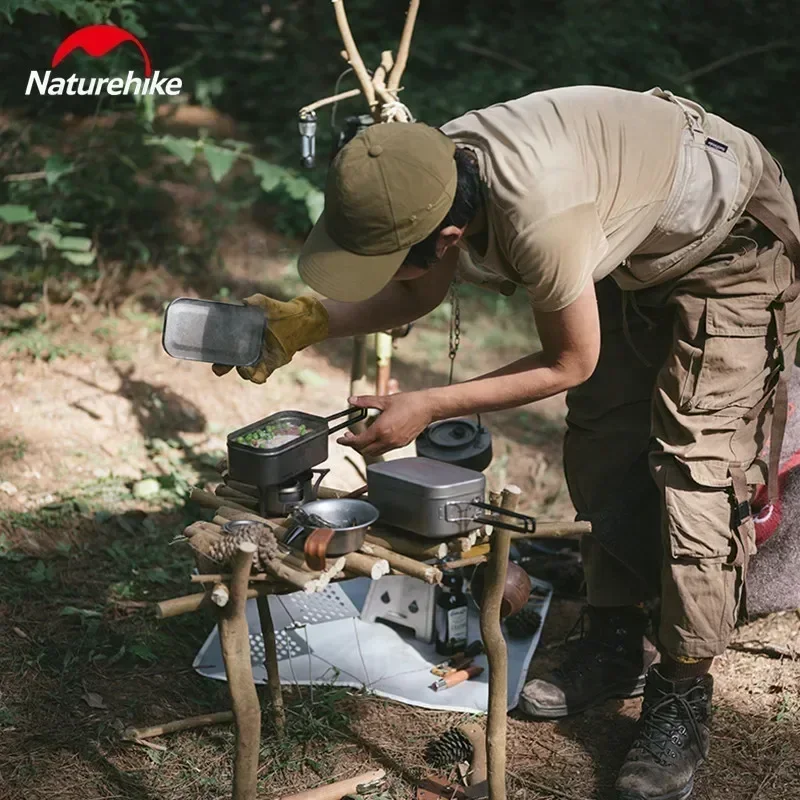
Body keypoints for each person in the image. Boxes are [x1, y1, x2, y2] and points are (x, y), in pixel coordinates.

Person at [212, 85, 800, 800]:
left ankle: (682, 692)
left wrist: (426, 404)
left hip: (732, 245)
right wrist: (305, 321)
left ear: (449, 236)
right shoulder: (428, 170)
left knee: (694, 469)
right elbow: (419, 283)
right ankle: (614, 642)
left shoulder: (539, 213)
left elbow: (568, 361)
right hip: (627, 239)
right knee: (604, 441)